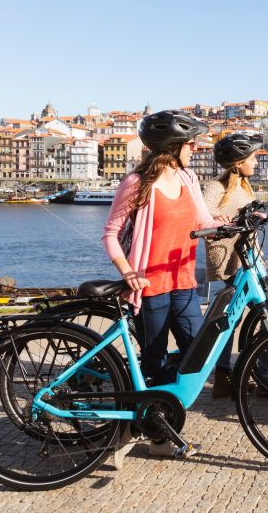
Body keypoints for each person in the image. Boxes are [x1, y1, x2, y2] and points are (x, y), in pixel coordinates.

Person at [102, 110, 228, 464]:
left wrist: (225, 224)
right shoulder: (137, 183)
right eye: (190, 143)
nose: (196, 148)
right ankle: (152, 433)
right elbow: (111, 235)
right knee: (155, 361)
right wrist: (128, 273)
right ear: (170, 146)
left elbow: (202, 220)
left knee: (195, 354)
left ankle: (150, 417)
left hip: (185, 282)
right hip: (150, 288)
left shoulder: (188, 178)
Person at [201, 132, 263, 398]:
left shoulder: (245, 187)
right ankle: (258, 373)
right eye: (253, 158)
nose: (257, 163)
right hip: (230, 261)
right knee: (259, 314)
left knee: (234, 319)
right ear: (238, 162)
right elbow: (202, 218)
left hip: (250, 259)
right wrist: (224, 219)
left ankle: (226, 376)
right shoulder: (216, 187)